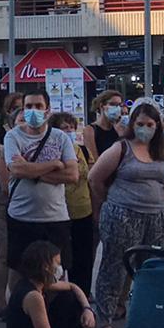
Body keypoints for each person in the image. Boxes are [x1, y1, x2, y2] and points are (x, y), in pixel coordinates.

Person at [89, 102, 164, 328]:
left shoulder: (162, 150)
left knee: (152, 268)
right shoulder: (121, 148)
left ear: (157, 126)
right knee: (114, 267)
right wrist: (110, 201)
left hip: (156, 216)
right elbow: (95, 178)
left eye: (150, 125)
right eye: (140, 124)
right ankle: (105, 319)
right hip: (122, 215)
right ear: (132, 125)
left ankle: (146, 317)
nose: (145, 129)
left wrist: (158, 202)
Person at [3, 88, 78, 279]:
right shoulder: (13, 136)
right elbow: (17, 169)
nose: (33, 110)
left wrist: (32, 170)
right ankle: (20, 308)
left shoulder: (60, 137)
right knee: (19, 272)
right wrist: (54, 164)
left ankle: (53, 309)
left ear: (47, 110)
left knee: (57, 272)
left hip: (55, 218)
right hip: (22, 216)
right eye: (28, 106)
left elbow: (71, 174)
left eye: (38, 106)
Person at [6, 240, 109, 328]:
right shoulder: (33, 296)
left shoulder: (37, 283)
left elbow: (73, 287)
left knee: (68, 297)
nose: (60, 268)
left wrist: (87, 309)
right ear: (45, 266)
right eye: (57, 263)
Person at [55, 111, 99, 298]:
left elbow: (91, 179)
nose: (69, 131)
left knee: (83, 257)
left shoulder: (82, 150)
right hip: (59, 210)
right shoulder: (51, 150)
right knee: (61, 258)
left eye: (72, 128)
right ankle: (59, 295)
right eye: (64, 128)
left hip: (83, 209)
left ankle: (83, 295)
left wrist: (96, 209)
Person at [89, 91, 127, 158]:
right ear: (102, 106)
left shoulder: (121, 127)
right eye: (112, 104)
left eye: (119, 105)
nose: (117, 108)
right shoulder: (91, 130)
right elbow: (93, 158)